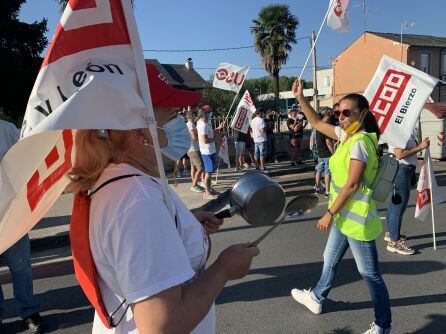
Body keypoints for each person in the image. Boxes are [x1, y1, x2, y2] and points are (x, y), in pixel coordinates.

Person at [68, 101, 260, 333]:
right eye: (171, 117)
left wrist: (176, 226)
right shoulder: (137, 198)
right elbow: (161, 325)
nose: (180, 124)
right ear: (140, 133)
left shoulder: (121, 181)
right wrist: (223, 270)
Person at [290, 79, 392, 334]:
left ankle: (383, 325)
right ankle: (316, 298)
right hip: (344, 217)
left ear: (363, 113)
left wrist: (329, 213)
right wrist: (301, 98)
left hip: (355, 220)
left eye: (347, 112)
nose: (341, 117)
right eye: (338, 112)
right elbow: (315, 123)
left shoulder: (359, 142)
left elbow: (352, 184)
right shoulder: (347, 136)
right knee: (330, 259)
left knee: (369, 274)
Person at [0, 120, 42, 333]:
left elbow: (26, 163)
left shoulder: (7, 130)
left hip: (12, 213)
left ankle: (29, 312)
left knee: (21, 268)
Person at [385, 135, 430, 255]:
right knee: (398, 207)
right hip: (401, 169)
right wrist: (420, 147)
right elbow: (399, 154)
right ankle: (394, 242)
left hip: (405, 169)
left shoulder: (404, 129)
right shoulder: (397, 129)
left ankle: (392, 234)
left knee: (395, 205)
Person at [197, 109, 224, 200]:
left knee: (209, 172)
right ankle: (207, 192)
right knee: (208, 173)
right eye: (207, 115)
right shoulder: (203, 125)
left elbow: (210, 132)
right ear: (202, 116)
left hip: (209, 151)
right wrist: (217, 138)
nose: (209, 116)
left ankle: (209, 189)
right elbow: (205, 140)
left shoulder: (204, 123)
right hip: (207, 152)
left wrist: (218, 129)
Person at [314, 113, 334, 197]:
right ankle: (327, 191)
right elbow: (328, 142)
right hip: (327, 153)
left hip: (320, 153)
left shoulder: (318, 127)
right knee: (327, 172)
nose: (329, 119)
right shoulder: (326, 128)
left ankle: (317, 188)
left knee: (319, 170)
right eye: (327, 117)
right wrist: (333, 153)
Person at [186, 112, 205, 193]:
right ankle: (194, 185)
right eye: (194, 115)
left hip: (190, 149)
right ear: (191, 116)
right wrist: (201, 135)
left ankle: (194, 183)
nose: (195, 117)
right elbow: (194, 138)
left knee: (193, 167)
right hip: (194, 149)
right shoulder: (191, 125)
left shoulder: (187, 124)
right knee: (201, 168)